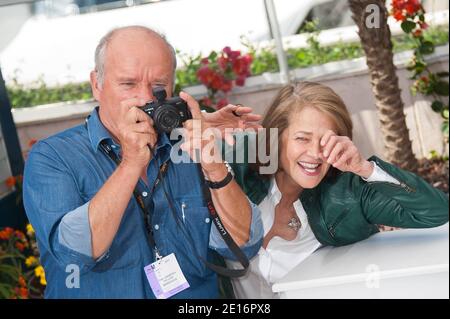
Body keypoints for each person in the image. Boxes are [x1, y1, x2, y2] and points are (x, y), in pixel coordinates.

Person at [23, 25, 264, 298]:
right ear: (97, 84)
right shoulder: (53, 157)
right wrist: (131, 163)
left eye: (159, 86)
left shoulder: (188, 142)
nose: (146, 97)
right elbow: (74, 254)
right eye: (128, 84)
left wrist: (212, 162)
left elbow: (244, 244)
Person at [225, 81, 449, 298]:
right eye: (302, 138)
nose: (315, 153)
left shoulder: (349, 192)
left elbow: (437, 212)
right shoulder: (239, 173)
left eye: (326, 141)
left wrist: (366, 168)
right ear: (276, 138)